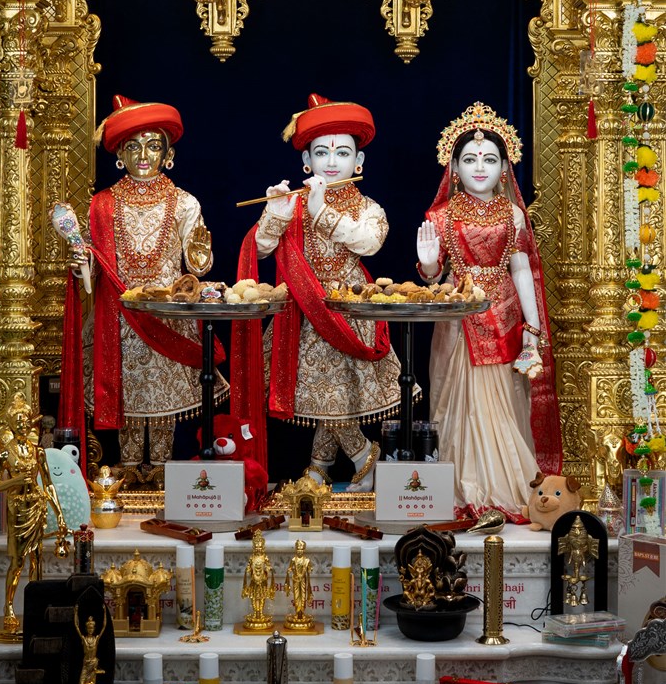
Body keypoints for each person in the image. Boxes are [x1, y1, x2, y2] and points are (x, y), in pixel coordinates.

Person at [234, 94, 405, 492]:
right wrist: (276, 213)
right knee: (327, 394)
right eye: (322, 152)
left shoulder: (368, 208)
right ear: (306, 161)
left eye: (343, 153)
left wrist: (321, 211)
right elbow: (260, 249)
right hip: (303, 313)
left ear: (358, 162)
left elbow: (369, 243)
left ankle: (334, 465)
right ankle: (338, 463)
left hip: (349, 314)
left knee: (335, 393)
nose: (332, 161)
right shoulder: (291, 204)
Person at [61, 95, 228, 488]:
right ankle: (131, 463)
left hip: (166, 315)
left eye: (153, 146)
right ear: (119, 154)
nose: (143, 155)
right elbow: (93, 268)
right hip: (117, 316)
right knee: (126, 392)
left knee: (161, 394)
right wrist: (81, 261)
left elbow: (198, 268)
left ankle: (163, 466)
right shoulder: (101, 205)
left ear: (168, 154)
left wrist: (200, 251)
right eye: (132, 146)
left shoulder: (184, 203)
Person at [416, 102, 561, 521]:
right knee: (455, 402)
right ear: (454, 168)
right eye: (470, 159)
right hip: (458, 321)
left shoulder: (513, 214)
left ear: (504, 168)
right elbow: (433, 278)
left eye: (490, 159)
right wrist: (429, 265)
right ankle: (462, 489)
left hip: (505, 319)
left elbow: (522, 269)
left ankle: (506, 488)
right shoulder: (440, 216)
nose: (480, 167)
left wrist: (533, 326)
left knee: (505, 404)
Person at [0, 392, 70, 633]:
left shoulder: (38, 452)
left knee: (37, 559)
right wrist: (14, 481)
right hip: (17, 508)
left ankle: (36, 606)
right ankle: (9, 606)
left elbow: (49, 486)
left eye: (26, 421)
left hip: (36, 505)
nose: (23, 425)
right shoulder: (5, 453)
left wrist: (60, 515)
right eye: (19, 422)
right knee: (17, 561)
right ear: (11, 425)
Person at [73, 610, 107, 684]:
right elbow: (76, 626)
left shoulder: (96, 639)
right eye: (89, 628)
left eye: (92, 628)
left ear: (94, 628)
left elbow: (104, 626)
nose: (90, 630)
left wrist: (104, 612)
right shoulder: (84, 639)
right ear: (86, 628)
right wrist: (76, 612)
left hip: (93, 663)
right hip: (86, 665)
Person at [242, 529, 275, 629]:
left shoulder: (264, 557)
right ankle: (255, 612)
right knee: (253, 597)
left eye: (260, 547)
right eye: (256, 547)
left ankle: (260, 612)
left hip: (262, 581)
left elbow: (268, 566)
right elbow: (249, 567)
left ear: (263, 548)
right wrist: (248, 570)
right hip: (253, 581)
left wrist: (269, 569)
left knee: (262, 597)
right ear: (254, 548)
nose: (258, 549)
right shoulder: (252, 558)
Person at [284, 539, 313, 624]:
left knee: (303, 597)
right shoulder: (293, 560)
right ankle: (297, 612)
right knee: (296, 597)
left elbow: (310, 568)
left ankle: (302, 612)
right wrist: (289, 570)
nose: (299, 551)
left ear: (303, 550)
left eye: (301, 549)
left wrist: (309, 569)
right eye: (298, 549)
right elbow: (290, 568)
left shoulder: (306, 560)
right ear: (296, 550)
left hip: (303, 581)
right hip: (296, 580)